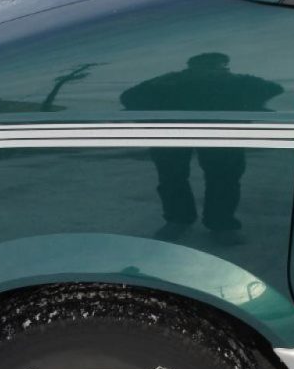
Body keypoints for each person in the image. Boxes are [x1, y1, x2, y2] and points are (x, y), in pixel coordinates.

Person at [120, 53, 283, 241]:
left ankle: (220, 225)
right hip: (174, 134)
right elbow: (129, 98)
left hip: (222, 134)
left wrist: (240, 100)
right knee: (173, 178)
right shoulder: (170, 80)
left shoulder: (237, 81)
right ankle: (180, 221)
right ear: (191, 67)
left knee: (223, 180)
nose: (210, 70)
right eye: (206, 66)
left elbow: (273, 89)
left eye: (215, 66)